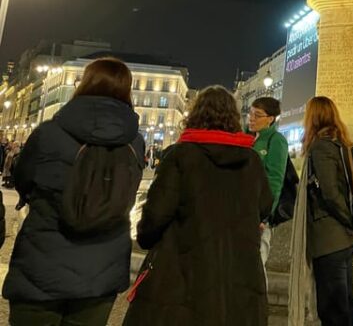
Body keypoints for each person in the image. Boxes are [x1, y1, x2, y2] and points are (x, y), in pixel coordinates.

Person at [2, 57, 145, 326]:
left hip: (42, 264)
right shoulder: (135, 144)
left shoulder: (49, 133)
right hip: (100, 271)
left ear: (84, 84)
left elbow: (22, 177)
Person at [123, 86, 272, 325]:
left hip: (181, 276)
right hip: (237, 278)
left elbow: (156, 215)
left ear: (195, 115)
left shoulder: (180, 156)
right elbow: (265, 205)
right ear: (234, 118)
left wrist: (146, 237)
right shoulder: (251, 161)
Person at [290, 96, 353, 326]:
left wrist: (349, 222)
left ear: (314, 117)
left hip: (330, 238)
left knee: (333, 311)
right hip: (343, 240)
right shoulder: (341, 144)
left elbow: (330, 193)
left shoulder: (321, 148)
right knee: (345, 307)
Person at [248, 96, 288, 289]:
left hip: (259, 215)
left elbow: (275, 179)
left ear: (270, 119)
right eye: (250, 113)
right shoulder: (249, 139)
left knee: (256, 264)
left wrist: (265, 215)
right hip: (245, 211)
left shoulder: (276, 140)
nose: (251, 118)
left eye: (258, 115)